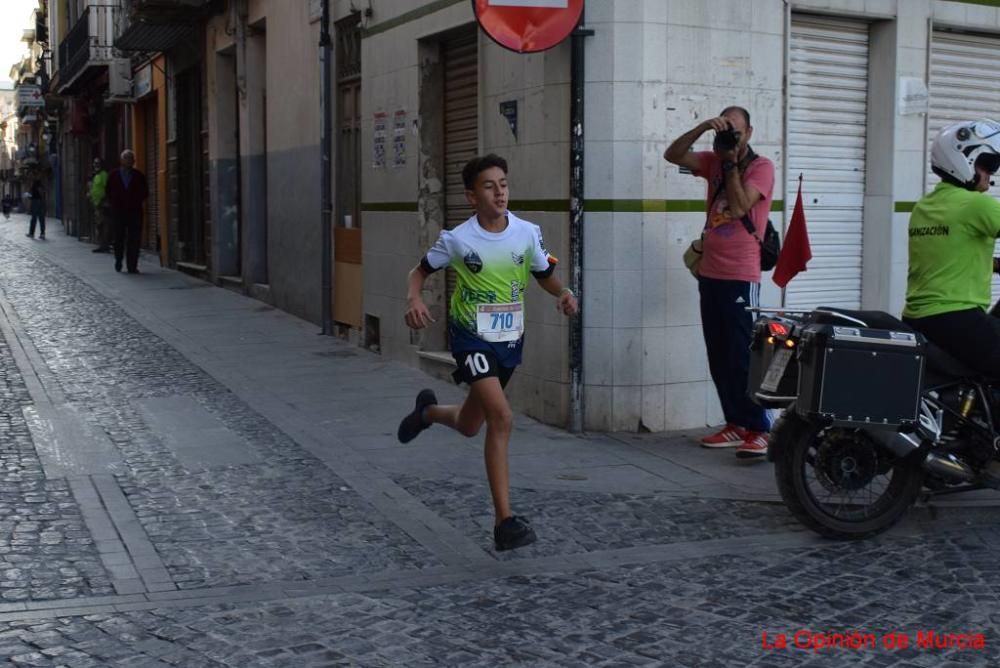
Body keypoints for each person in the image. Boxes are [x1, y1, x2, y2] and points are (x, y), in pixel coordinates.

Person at [398, 154, 578, 551]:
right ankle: (505, 523)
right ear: (471, 196)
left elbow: (545, 274)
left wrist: (563, 293)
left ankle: (426, 412)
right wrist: (415, 298)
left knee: (469, 423)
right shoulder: (458, 239)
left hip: (509, 342)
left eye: (503, 184)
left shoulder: (528, 233)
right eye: (489, 186)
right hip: (470, 338)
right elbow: (419, 271)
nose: (499, 192)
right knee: (502, 417)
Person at [664, 106, 774, 459]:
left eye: (736, 132)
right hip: (710, 271)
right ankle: (735, 423)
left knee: (743, 354)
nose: (730, 138)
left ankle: (760, 428)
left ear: (750, 133)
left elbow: (741, 208)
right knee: (718, 353)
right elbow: (672, 155)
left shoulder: (761, 167)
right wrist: (700, 128)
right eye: (725, 130)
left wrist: (729, 162)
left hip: (742, 274)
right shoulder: (712, 159)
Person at [903, 119, 1000, 380]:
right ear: (964, 160)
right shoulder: (976, 205)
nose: (991, 174)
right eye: (988, 164)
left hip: (918, 319)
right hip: (958, 318)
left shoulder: (924, 206)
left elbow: (947, 255)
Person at [105, 149, 148, 273]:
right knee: (119, 238)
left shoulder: (139, 176)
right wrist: (114, 203)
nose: (130, 161)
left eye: (131, 158)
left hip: (135, 212)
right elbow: (108, 191)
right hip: (118, 212)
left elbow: (145, 192)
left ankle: (132, 265)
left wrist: (136, 200)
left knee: (134, 239)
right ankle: (118, 260)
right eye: (127, 158)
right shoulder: (113, 175)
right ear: (122, 160)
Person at [88, 157, 111, 253]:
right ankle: (101, 244)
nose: (95, 165)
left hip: (102, 204)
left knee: (103, 225)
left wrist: (104, 200)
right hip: (96, 204)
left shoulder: (104, 175)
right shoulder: (95, 175)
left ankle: (104, 245)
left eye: (97, 163)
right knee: (99, 224)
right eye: (94, 163)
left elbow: (107, 188)